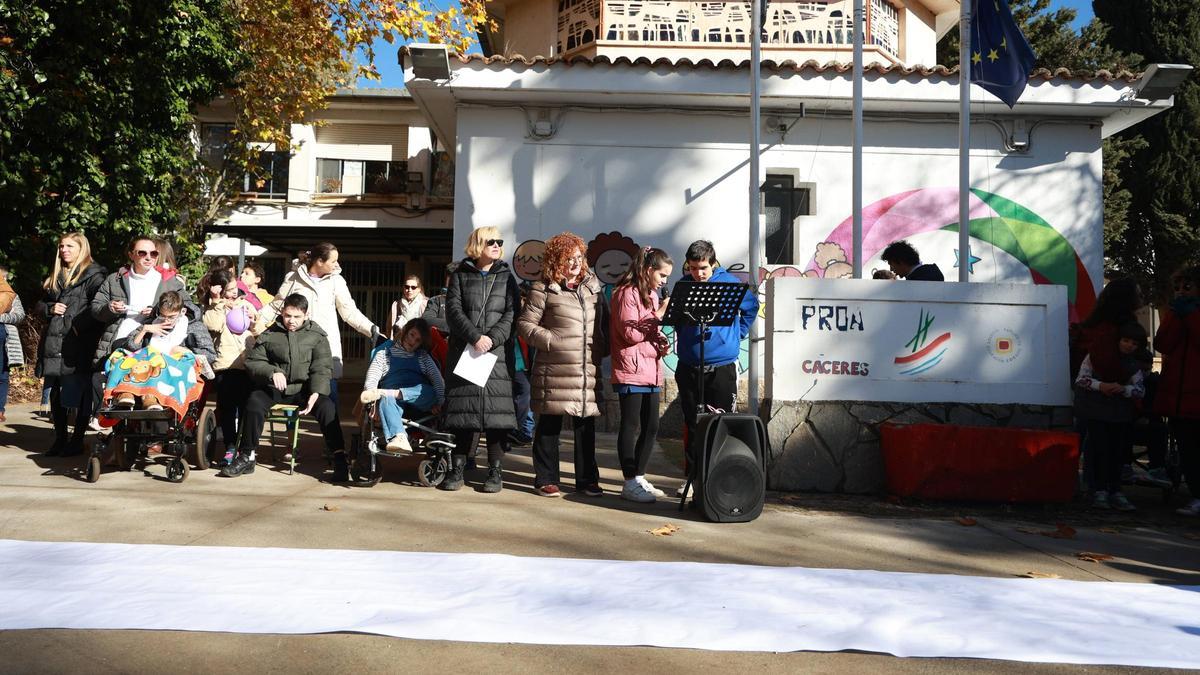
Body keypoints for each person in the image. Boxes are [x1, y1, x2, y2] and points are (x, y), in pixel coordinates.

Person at [518, 232, 608, 498]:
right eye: (569, 258)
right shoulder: (543, 288)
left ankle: (587, 480)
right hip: (554, 368)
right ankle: (545, 478)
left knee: (585, 426)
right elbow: (525, 325)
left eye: (579, 257)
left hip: (586, 368)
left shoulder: (593, 287)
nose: (575, 263)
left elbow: (604, 323)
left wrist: (601, 348)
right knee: (549, 424)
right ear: (556, 260)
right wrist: (551, 340)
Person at [227, 294, 342, 478]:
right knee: (254, 402)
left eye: (297, 316)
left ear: (306, 315)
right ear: (282, 313)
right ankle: (247, 455)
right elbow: (254, 362)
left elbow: (322, 367)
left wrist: (317, 391)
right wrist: (272, 372)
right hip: (275, 389)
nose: (291, 321)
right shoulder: (270, 334)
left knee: (328, 407)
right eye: (288, 315)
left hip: (305, 390)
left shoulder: (317, 336)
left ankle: (339, 457)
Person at [441, 226, 519, 493]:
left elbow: (512, 314)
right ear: (477, 244)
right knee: (464, 414)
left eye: (499, 241)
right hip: (466, 352)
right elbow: (453, 311)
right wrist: (475, 337)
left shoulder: (507, 277)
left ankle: (495, 472)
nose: (497, 245)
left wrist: (492, 339)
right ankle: (457, 469)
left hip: (496, 356)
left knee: (497, 418)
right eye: (490, 241)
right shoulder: (460, 275)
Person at [256, 242, 380, 407]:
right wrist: (255, 320)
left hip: (324, 347)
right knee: (291, 401)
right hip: (296, 346)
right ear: (320, 261)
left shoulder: (337, 281)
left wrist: (372, 330)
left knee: (329, 399)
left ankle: (331, 424)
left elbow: (350, 312)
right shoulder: (293, 278)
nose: (337, 265)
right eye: (333, 261)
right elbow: (276, 306)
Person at [674, 240, 759, 479]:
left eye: (703, 268)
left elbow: (751, 308)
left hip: (722, 367)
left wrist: (737, 334)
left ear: (713, 264)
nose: (698, 274)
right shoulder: (683, 286)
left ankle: (717, 478)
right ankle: (692, 478)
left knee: (721, 422)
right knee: (692, 423)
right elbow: (678, 320)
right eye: (692, 268)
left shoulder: (729, 284)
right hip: (689, 366)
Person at [610, 246, 674, 503]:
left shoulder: (651, 295)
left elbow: (649, 331)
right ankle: (628, 481)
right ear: (648, 270)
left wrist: (661, 342)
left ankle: (639, 476)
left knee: (652, 425)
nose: (665, 281)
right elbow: (631, 333)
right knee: (631, 424)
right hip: (631, 368)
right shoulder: (625, 293)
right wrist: (658, 316)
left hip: (650, 368)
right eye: (662, 275)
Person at [38, 232, 107, 456]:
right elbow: (40, 304)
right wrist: (49, 309)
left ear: (81, 249)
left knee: (81, 392)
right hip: (54, 341)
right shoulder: (56, 275)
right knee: (56, 391)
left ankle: (77, 440)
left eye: (69, 246)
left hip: (78, 342)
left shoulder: (94, 276)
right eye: (61, 246)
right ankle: (60, 439)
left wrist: (78, 326)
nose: (63, 250)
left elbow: (98, 308)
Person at [1075, 319, 1146, 511]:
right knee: (1099, 451)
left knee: (1117, 453)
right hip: (1096, 412)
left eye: (1134, 343)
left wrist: (1124, 389)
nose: (1129, 346)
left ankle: (1115, 490)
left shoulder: (1133, 365)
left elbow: (1140, 390)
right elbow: (1082, 379)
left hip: (1120, 414)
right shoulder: (1095, 357)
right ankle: (1099, 489)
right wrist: (1101, 386)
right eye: (1126, 341)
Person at [103, 291, 198, 413]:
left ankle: (150, 397)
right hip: (146, 361)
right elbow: (131, 347)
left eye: (171, 317)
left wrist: (183, 350)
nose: (166, 320)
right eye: (163, 315)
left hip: (171, 364)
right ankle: (126, 392)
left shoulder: (193, 326)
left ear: (182, 312)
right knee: (123, 360)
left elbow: (208, 353)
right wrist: (145, 330)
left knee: (158, 367)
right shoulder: (151, 322)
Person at [1154, 265, 1200, 517]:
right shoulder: (1177, 312)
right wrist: (1175, 316)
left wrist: (1191, 316)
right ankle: (1196, 494)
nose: (1181, 291)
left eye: (1187, 286)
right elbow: (1162, 343)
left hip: (1194, 393)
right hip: (1179, 398)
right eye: (1178, 287)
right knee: (1188, 451)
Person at [360, 318, 444, 453]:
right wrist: (372, 402)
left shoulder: (423, 357)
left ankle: (388, 393)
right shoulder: (384, 354)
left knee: (428, 391)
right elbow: (371, 380)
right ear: (405, 331)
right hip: (393, 404)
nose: (413, 341)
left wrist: (440, 403)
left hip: (419, 403)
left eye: (418, 340)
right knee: (385, 400)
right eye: (412, 335)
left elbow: (438, 382)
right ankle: (399, 438)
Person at [202, 269, 259, 466]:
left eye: (235, 288)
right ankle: (230, 446)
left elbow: (258, 330)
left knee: (246, 408)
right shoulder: (212, 308)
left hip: (246, 364)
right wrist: (217, 301)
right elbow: (214, 325)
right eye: (229, 289)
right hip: (225, 366)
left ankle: (245, 448)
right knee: (227, 409)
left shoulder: (245, 304)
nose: (234, 292)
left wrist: (254, 321)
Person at [0, 265, 26, 424]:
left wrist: (2, 318)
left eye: (4, 278)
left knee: (2, 374)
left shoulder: (12, 295)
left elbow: (20, 315)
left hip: (5, 337)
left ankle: (0, 409)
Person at [387, 274, 428, 340]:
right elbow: (389, 327)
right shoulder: (396, 304)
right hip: (399, 341)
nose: (409, 290)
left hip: (418, 342)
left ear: (419, 289)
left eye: (413, 287)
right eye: (407, 287)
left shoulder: (426, 304)